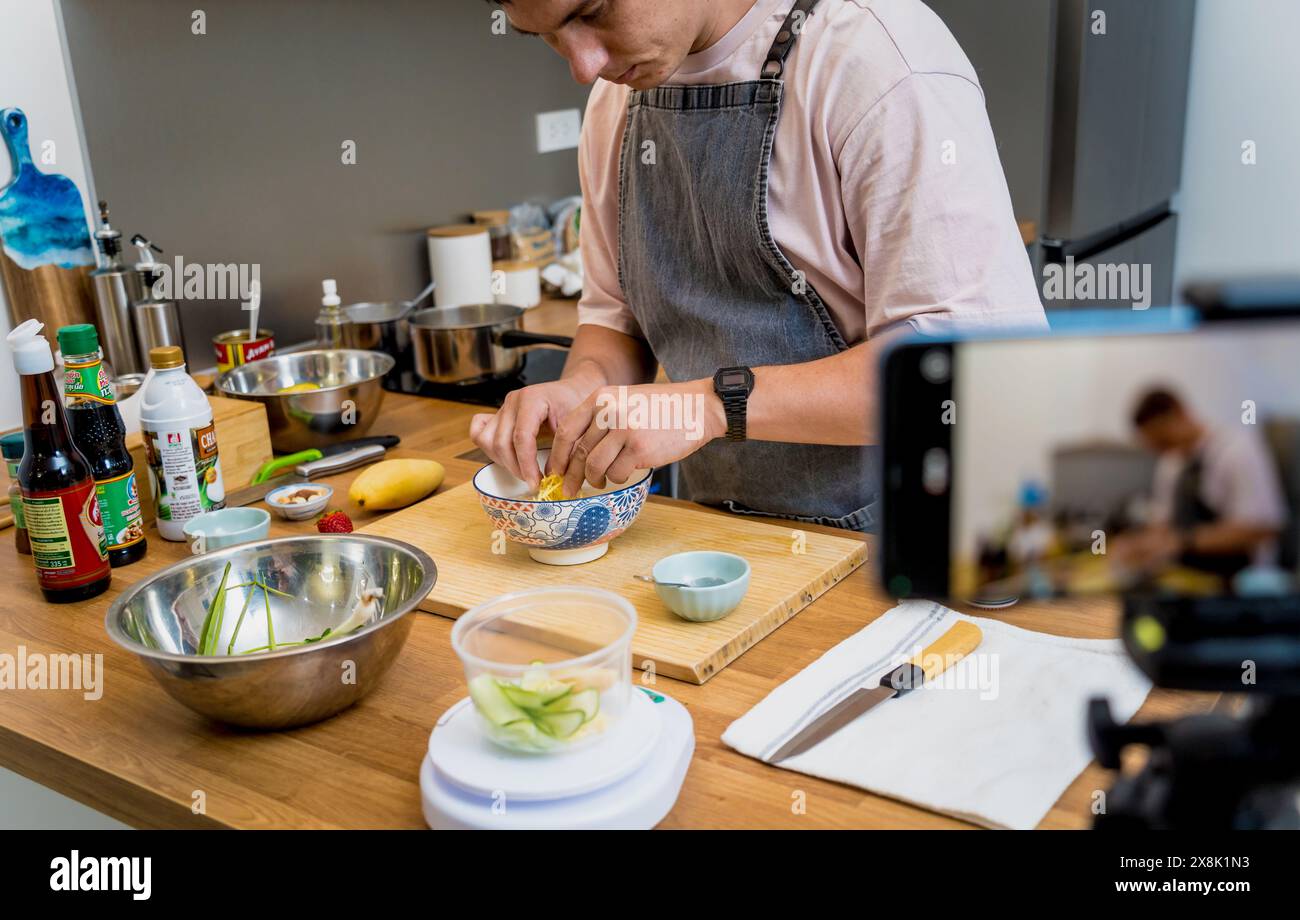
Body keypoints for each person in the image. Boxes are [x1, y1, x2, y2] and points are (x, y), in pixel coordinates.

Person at [470, 0, 1046, 530]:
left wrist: (711, 406)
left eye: (593, 10)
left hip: (912, 544)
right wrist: (583, 388)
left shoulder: (877, 60)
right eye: (543, 36)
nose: (583, 64)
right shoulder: (615, 104)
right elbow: (616, 319)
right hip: (726, 540)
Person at [1119, 388, 1287, 579]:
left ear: (1180, 413)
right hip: (1190, 576)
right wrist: (1141, 545)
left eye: (1163, 440)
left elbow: (1261, 528)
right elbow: (1162, 523)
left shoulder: (1237, 451)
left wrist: (1183, 541)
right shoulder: (1171, 461)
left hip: (1243, 580)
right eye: (1156, 445)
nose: (1162, 450)